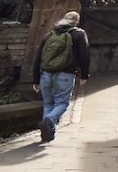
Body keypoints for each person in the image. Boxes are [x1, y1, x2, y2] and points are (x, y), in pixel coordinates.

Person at [33, 11, 92, 143]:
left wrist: (36, 79)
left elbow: (38, 58)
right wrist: (84, 74)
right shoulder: (79, 34)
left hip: (46, 74)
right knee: (62, 103)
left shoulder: (49, 35)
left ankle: (46, 135)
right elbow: (84, 55)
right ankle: (49, 121)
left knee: (48, 104)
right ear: (76, 21)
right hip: (65, 74)